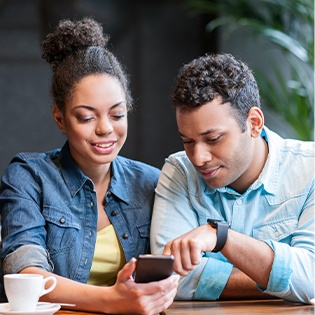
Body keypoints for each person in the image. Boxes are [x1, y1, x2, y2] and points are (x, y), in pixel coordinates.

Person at [0, 17, 179, 314]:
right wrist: (113, 300)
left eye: (117, 114)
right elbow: (26, 276)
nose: (105, 128)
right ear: (60, 118)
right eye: (86, 117)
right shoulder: (29, 177)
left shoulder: (152, 182)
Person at [150, 53, 314, 304]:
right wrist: (281, 280)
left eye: (213, 139)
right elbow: (173, 278)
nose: (198, 157)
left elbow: (311, 278)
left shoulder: (309, 169)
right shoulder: (179, 172)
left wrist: (220, 237)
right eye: (188, 141)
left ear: (254, 123)